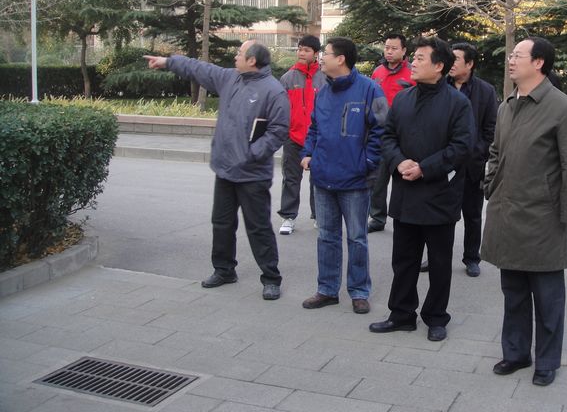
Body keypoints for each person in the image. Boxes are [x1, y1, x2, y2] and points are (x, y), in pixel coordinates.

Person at [481, 37, 567, 386]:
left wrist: (566, 217)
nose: (511, 61)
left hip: (544, 217)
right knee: (513, 291)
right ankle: (515, 353)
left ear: (539, 62)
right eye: (511, 55)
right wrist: (490, 184)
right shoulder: (507, 105)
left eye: (518, 56)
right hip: (506, 213)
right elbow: (496, 151)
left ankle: (547, 361)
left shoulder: (563, 107)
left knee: (547, 298)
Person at [144, 41, 289, 300]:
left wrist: (251, 154)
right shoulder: (230, 78)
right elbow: (198, 68)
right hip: (224, 169)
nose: (235, 57)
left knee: (258, 228)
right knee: (222, 223)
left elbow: (278, 131)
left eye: (240, 53)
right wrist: (168, 62)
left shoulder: (273, 91)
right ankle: (224, 270)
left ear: (252, 60)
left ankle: (271, 278)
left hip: (253, 174)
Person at [368, 37, 474, 342]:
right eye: (413, 57)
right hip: (405, 193)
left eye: (419, 58)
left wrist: (425, 168)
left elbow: (461, 147)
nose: (412, 63)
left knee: (439, 263)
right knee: (403, 260)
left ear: (439, 66)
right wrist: (399, 162)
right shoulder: (403, 99)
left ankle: (436, 317)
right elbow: (388, 137)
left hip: (439, 195)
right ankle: (401, 314)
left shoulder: (457, 103)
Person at [300, 37, 387, 314]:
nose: (321, 58)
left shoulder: (371, 89)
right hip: (323, 176)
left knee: (357, 238)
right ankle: (327, 289)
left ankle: (359, 291)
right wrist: (308, 152)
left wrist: (367, 161)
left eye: (325, 53)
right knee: (327, 236)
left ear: (341, 59)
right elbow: (314, 127)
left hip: (355, 180)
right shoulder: (322, 91)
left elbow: (383, 128)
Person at [420, 42, 497, 277]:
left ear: (470, 64)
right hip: (444, 164)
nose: (451, 64)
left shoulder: (485, 91)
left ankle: (472, 257)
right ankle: (435, 257)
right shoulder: (440, 87)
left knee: (472, 214)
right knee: (439, 215)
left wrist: (475, 153)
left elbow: (490, 131)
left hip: (471, 165)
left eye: (456, 60)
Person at [277, 35, 326, 235]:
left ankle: (319, 215)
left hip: (318, 139)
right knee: (290, 179)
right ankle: (288, 217)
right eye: (300, 49)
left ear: (316, 54)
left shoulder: (324, 78)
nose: (301, 53)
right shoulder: (288, 78)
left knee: (319, 180)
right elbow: (281, 110)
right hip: (294, 138)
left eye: (306, 50)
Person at [367, 33, 415, 232]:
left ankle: (404, 217)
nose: (389, 51)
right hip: (380, 133)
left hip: (404, 135)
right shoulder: (378, 72)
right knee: (377, 180)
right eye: (387, 47)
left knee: (403, 179)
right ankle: (377, 217)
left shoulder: (412, 73)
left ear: (404, 50)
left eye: (394, 48)